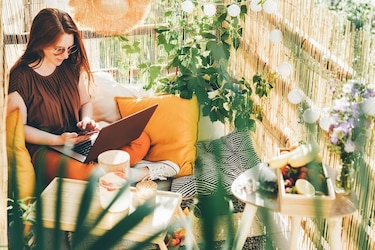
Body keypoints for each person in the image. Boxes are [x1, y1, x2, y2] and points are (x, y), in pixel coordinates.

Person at [6, 8, 179, 186]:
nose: (66, 55)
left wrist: (86, 120)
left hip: (78, 140)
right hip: (46, 149)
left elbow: (85, 102)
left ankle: (102, 170)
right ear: (39, 43)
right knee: (83, 173)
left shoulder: (70, 65)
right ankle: (139, 173)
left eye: (69, 48)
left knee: (140, 139)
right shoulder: (20, 78)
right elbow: (19, 128)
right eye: (59, 49)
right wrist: (57, 140)